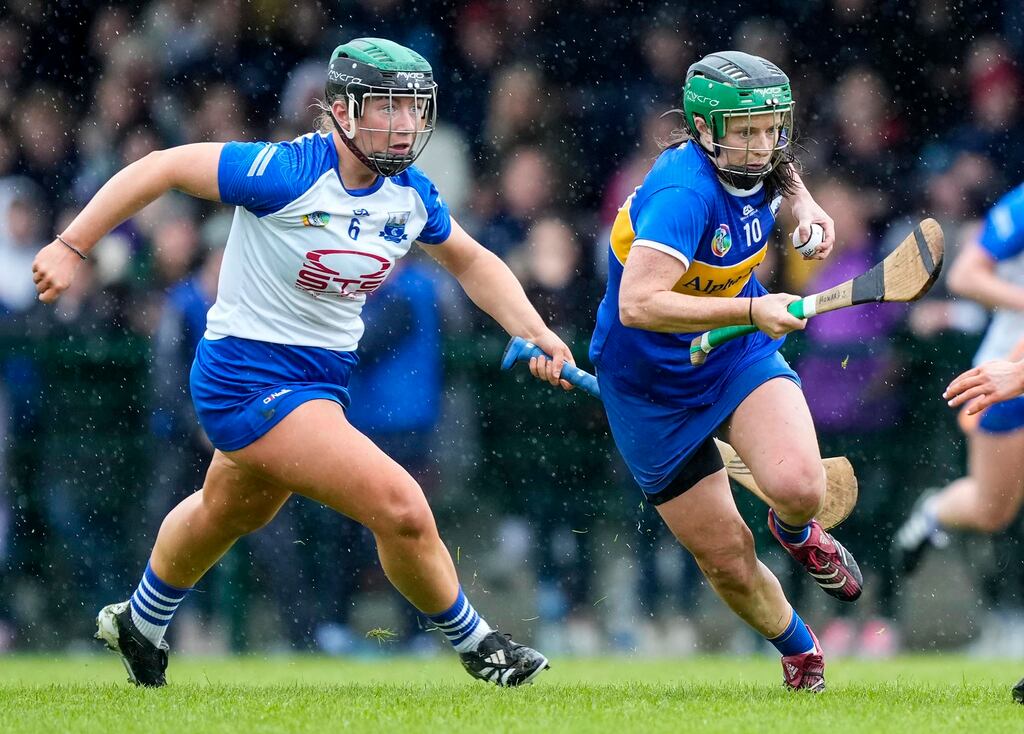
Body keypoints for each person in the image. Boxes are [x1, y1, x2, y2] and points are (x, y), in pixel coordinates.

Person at [31, 37, 574, 688]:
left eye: (414, 110)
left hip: (317, 384)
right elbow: (164, 167)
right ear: (342, 111)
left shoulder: (409, 195)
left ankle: (139, 622)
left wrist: (536, 331)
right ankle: (480, 645)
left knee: (226, 511)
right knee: (401, 505)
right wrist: (72, 244)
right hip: (244, 379)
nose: (406, 125)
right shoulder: (286, 172)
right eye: (388, 108)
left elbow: (473, 261)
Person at [589, 51, 863, 692]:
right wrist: (750, 306)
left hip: (732, 354)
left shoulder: (759, 162)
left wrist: (810, 211)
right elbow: (639, 303)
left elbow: (783, 175)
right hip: (649, 387)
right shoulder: (684, 194)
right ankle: (801, 652)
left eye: (772, 126)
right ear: (705, 131)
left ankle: (795, 530)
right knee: (726, 559)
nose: (763, 144)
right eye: (746, 130)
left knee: (799, 487)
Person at [895, 182, 1024, 569]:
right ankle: (932, 511)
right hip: (1002, 374)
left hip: (1013, 370)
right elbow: (964, 277)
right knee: (992, 512)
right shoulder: (1019, 206)